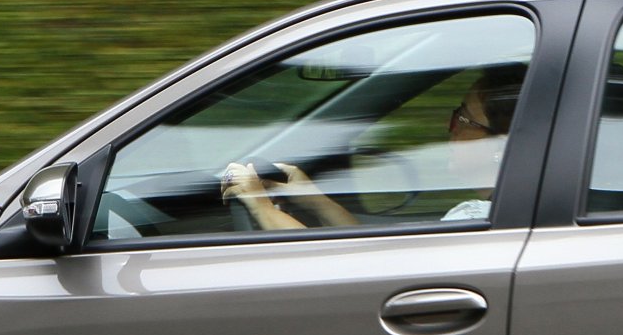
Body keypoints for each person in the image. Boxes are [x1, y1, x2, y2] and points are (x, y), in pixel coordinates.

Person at [220, 68, 520, 230]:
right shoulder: (500, 215)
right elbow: (371, 260)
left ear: (500, 144)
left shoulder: (476, 224)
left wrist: (260, 206)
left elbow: (332, 272)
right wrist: (316, 201)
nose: (449, 123)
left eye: (463, 118)